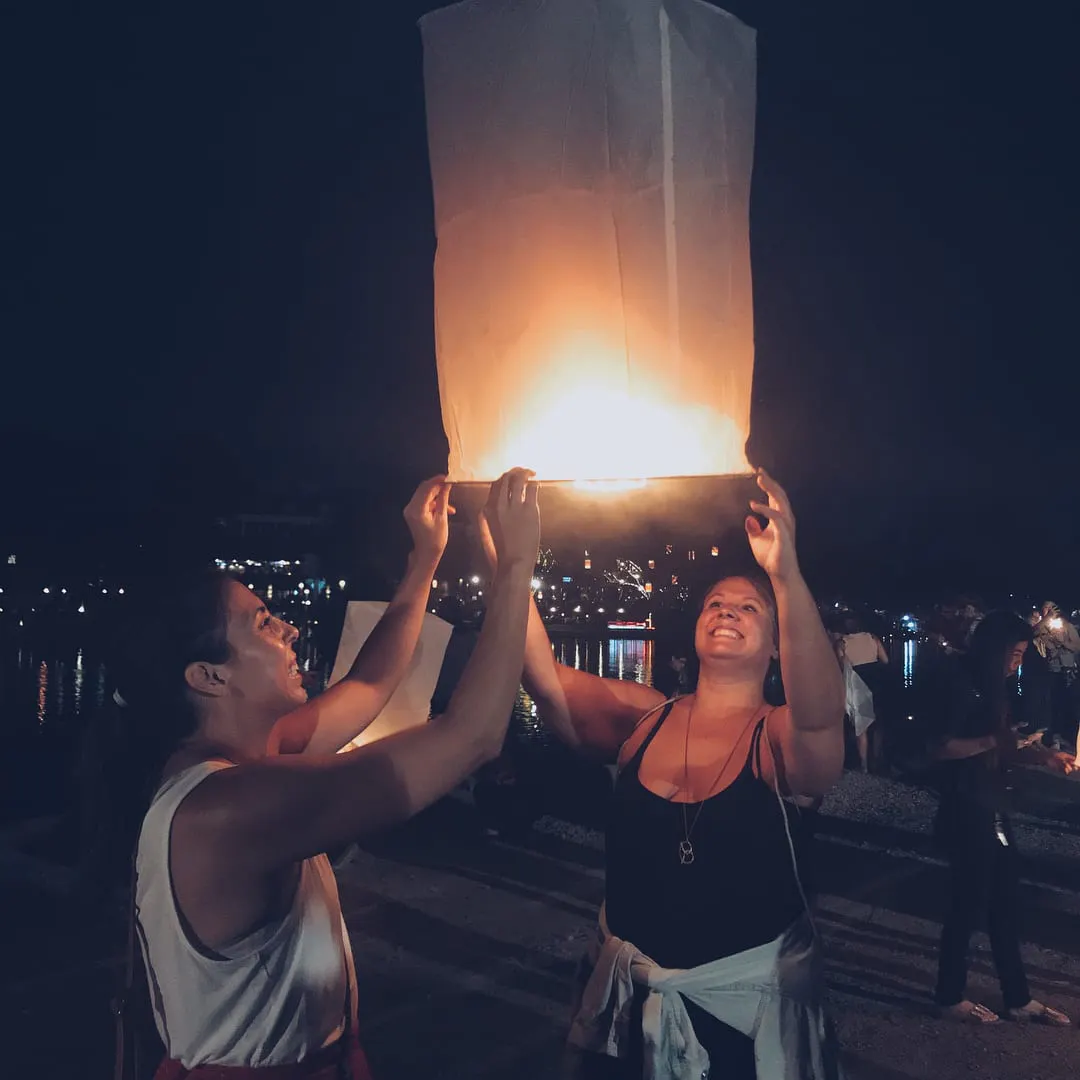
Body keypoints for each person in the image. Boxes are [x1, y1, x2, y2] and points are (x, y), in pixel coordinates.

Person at [107, 469, 539, 1078]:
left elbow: (369, 685)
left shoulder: (250, 761)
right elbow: (470, 737)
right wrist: (517, 563)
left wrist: (424, 558)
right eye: (262, 622)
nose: (288, 628)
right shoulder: (230, 808)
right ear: (209, 676)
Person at [481, 470, 845, 1080]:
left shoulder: (776, 738)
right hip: (627, 1017)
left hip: (741, 1029)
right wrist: (507, 556)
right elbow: (542, 676)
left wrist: (785, 575)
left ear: (778, 645)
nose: (727, 611)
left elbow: (819, 720)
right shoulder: (642, 719)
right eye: (715, 605)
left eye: (749, 608)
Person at [927, 610, 1076, 1026]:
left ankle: (1018, 998)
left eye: (1022, 655)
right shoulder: (961, 684)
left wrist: (1044, 755)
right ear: (991, 649)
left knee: (1004, 904)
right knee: (967, 906)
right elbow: (939, 747)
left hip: (992, 805)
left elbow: (1003, 745)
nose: (1016, 663)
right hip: (966, 808)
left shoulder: (994, 688)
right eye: (1012, 653)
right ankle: (948, 995)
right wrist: (995, 738)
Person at [836, 615, 889, 772]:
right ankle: (878, 760)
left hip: (857, 683)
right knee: (878, 724)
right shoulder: (873, 637)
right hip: (876, 681)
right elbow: (885, 660)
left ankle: (864, 765)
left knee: (862, 728)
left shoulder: (841, 643)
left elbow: (840, 666)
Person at [1031, 601, 1080, 753]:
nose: (1048, 610)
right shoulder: (1042, 626)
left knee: (1069, 703)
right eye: (1045, 607)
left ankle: (1068, 735)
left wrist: (1063, 642)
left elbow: (1077, 646)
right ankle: (1053, 735)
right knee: (1051, 703)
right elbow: (1032, 633)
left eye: (1051, 607)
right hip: (1051, 669)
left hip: (1067, 670)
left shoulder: (1067, 626)